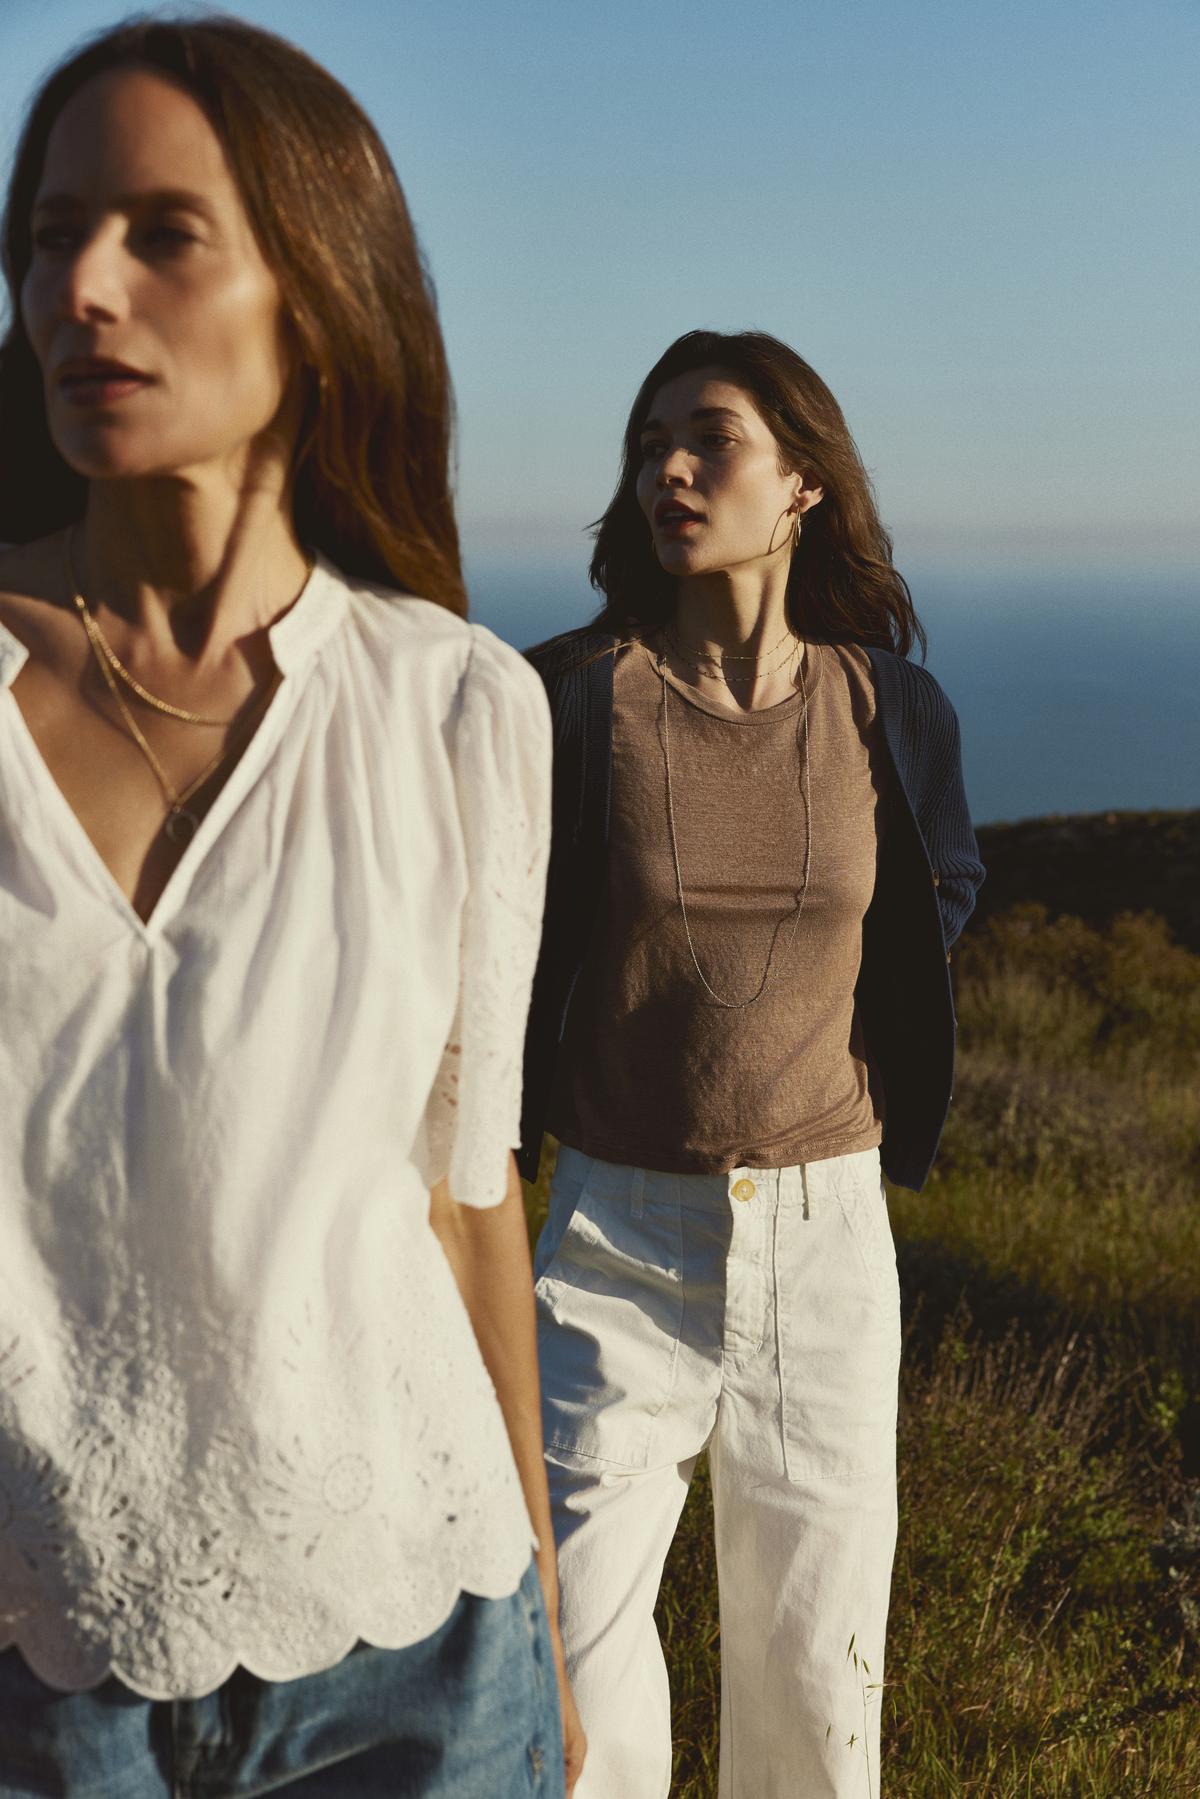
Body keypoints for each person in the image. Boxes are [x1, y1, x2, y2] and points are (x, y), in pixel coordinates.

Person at [0, 16, 584, 1796]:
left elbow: (468, 1203)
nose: (80, 288)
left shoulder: (459, 709)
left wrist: (551, 1618)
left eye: (162, 234)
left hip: (424, 1652)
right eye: (49, 237)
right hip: (36, 1661)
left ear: (318, 296)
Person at [519, 329, 985, 1798]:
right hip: (612, 1237)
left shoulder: (889, 708)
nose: (668, 468)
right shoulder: (571, 700)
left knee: (817, 1692)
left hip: (825, 1240)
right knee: (568, 1683)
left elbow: (942, 888)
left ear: (803, 485)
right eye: (648, 443)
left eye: (708, 439)